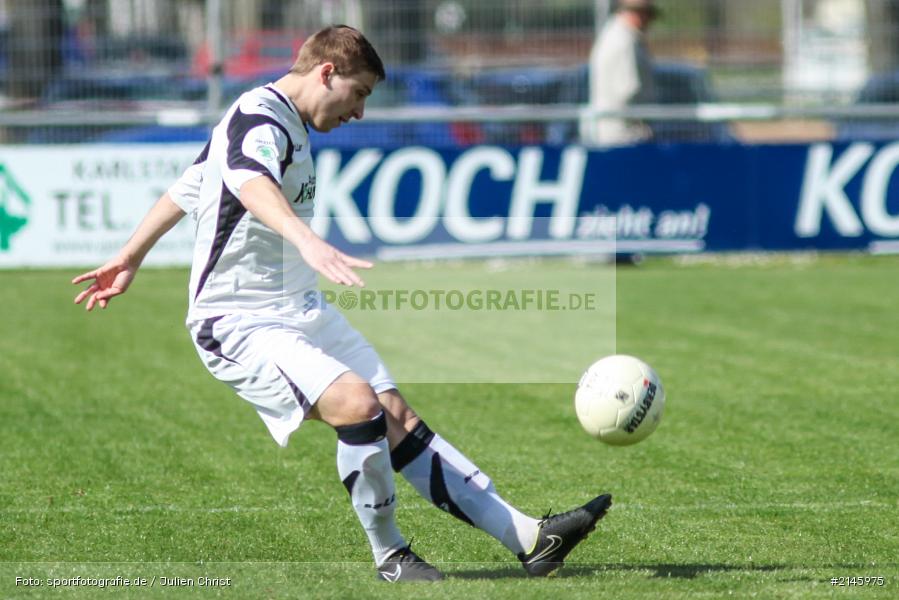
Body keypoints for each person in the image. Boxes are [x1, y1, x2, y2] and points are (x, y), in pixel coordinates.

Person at [72, 25, 611, 582]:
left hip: (298, 308)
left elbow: (189, 185)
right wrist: (306, 239)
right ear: (326, 73)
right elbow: (250, 181)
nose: (358, 113)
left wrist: (129, 255)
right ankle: (391, 557)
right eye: (359, 94)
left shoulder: (285, 123)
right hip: (236, 320)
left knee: (395, 414)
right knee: (357, 405)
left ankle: (529, 538)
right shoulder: (260, 117)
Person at [582, 0, 659, 146]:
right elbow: (629, 90)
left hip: (611, 131)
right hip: (623, 134)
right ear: (638, 14)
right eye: (647, 15)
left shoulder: (614, 35)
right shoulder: (624, 40)